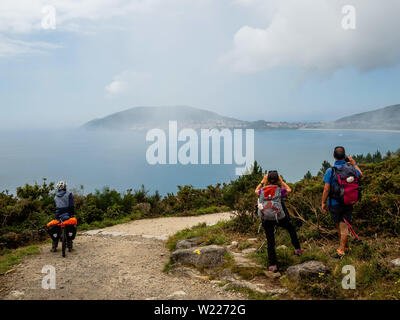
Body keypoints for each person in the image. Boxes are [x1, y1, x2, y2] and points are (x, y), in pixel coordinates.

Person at [255, 171, 303, 272]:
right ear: (278, 179)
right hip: (279, 217)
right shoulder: (279, 190)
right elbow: (289, 190)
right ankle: (297, 249)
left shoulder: (262, 191)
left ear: (267, 180)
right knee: (291, 228)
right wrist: (282, 182)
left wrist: (262, 182)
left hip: (266, 218)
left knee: (270, 241)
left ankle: (273, 265)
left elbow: (256, 191)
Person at [322, 146, 362, 259]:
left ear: (334, 156)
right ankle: (347, 247)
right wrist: (354, 163)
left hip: (335, 203)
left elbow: (326, 189)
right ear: (344, 156)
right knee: (343, 225)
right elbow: (360, 174)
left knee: (341, 227)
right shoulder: (352, 168)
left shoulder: (331, 170)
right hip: (349, 201)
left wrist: (323, 202)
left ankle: (340, 251)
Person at [47, 181, 77, 252]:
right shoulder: (69, 194)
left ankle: (54, 246)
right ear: (65, 187)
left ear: (58, 188)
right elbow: (71, 205)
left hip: (58, 214)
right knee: (70, 225)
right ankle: (70, 246)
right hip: (67, 213)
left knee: (56, 227)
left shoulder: (55, 196)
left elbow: (56, 206)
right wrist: (72, 214)